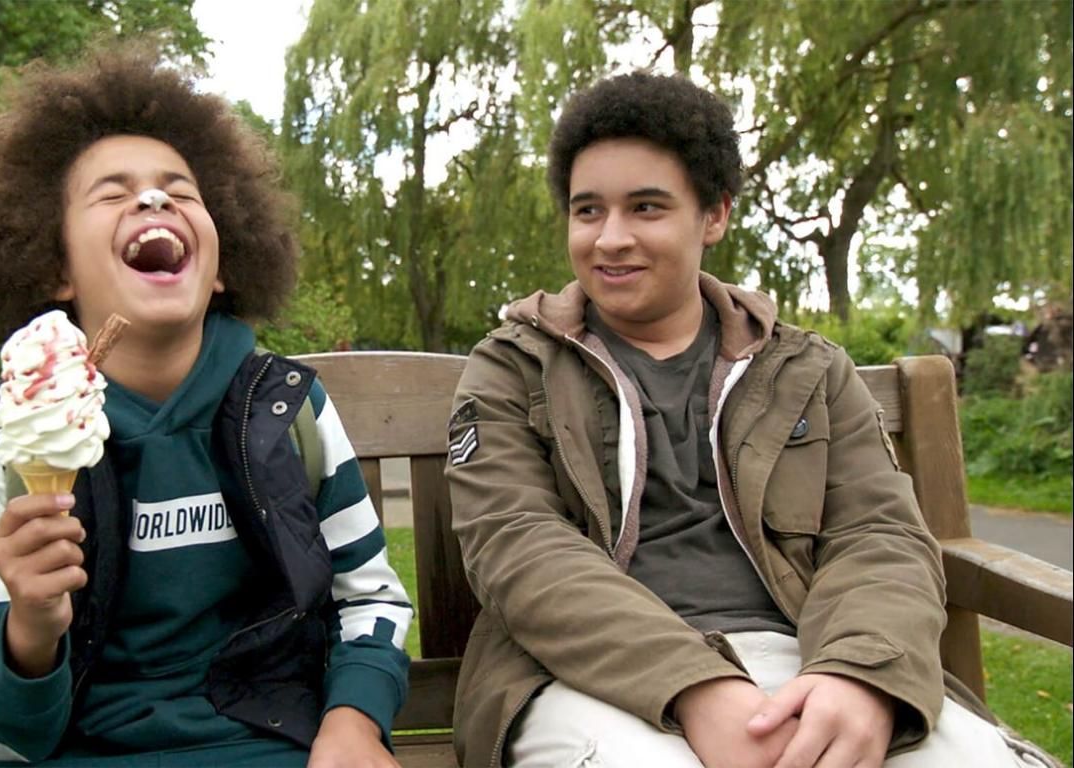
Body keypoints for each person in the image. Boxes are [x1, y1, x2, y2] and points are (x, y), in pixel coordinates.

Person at [443, 71, 1058, 768]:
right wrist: (696, 686)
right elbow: (520, 549)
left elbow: (879, 534)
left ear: (714, 216)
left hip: (810, 658)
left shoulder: (808, 370)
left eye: (646, 208)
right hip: (588, 679)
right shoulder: (514, 368)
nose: (610, 238)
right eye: (588, 211)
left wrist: (859, 673)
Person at [0, 44, 412, 768]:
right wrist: (30, 630)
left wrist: (354, 721)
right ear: (54, 267)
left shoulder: (289, 412)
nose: (152, 201)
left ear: (222, 263)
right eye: (112, 194)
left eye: (181, 190)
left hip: (259, 745)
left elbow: (370, 601)